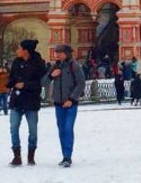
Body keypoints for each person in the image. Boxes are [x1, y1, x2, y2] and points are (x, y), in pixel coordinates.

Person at [8, 38, 47, 166]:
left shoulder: (38, 63)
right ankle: (16, 156)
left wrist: (25, 85)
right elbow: (12, 78)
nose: (17, 51)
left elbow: (40, 83)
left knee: (33, 130)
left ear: (26, 51)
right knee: (14, 128)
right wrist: (10, 83)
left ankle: (31, 155)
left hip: (31, 101)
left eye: (19, 48)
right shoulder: (16, 62)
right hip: (17, 101)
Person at [48, 44, 84, 168]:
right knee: (62, 129)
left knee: (68, 128)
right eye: (56, 52)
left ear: (66, 54)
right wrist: (51, 75)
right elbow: (43, 81)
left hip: (70, 103)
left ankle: (68, 156)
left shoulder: (74, 65)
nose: (57, 55)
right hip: (58, 103)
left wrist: (72, 98)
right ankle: (64, 155)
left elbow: (81, 83)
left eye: (60, 53)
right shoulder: (55, 66)